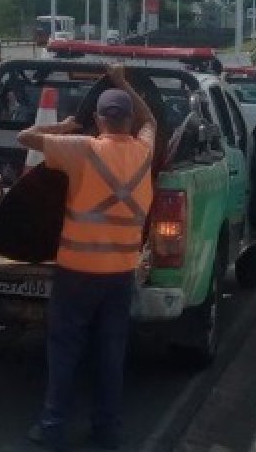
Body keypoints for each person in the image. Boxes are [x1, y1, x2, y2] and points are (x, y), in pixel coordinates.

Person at [18, 65, 157, 452]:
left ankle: (52, 427)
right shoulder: (145, 151)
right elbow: (151, 118)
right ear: (129, 120)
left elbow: (24, 136)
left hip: (77, 272)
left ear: (97, 120)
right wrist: (122, 82)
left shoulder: (81, 149)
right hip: (120, 274)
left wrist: (63, 126)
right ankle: (106, 430)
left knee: (65, 348)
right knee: (111, 352)